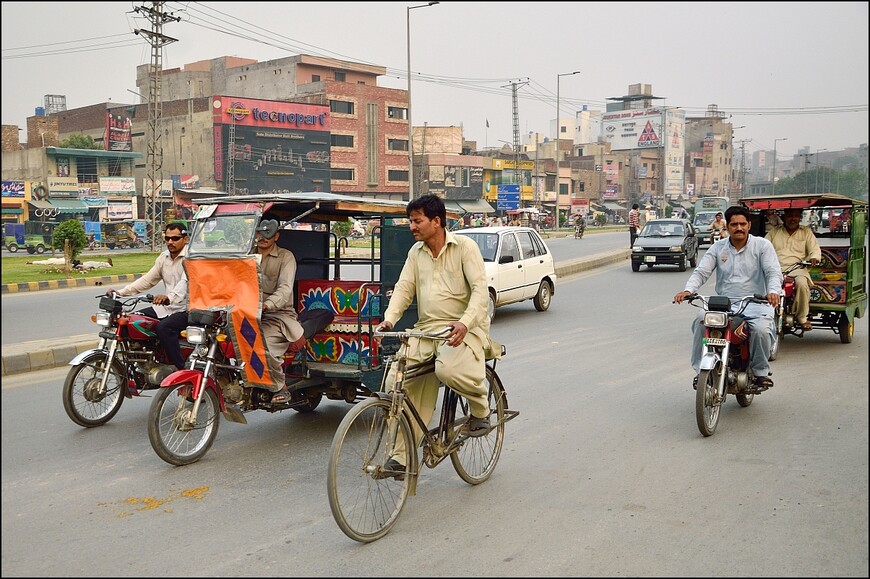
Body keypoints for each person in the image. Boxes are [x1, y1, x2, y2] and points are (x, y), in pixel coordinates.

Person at [374, 195, 500, 475]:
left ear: (436, 221)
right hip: (427, 330)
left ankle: (480, 411)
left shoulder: (465, 247)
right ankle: (402, 457)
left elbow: (480, 292)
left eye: (417, 221)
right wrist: (389, 320)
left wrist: (465, 323)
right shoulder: (416, 253)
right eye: (410, 221)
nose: (412, 227)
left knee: (448, 371)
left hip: (464, 328)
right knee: (398, 377)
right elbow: (404, 288)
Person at [673, 206, 782, 389]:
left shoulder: (763, 246)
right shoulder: (718, 247)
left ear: (749, 225)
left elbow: (773, 272)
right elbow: (701, 272)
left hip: (756, 303)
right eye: (734, 224)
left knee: (762, 330)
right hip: (724, 304)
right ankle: (701, 371)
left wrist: (773, 291)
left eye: (742, 224)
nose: (738, 228)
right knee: (701, 320)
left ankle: (759, 372)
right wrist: (688, 290)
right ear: (727, 226)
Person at [108, 222, 190, 371]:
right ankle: (143, 364)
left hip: (186, 308)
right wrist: (121, 292)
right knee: (130, 321)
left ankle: (181, 369)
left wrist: (168, 298)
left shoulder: (191, 258)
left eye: (175, 238)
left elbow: (184, 284)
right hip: (166, 308)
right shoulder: (164, 257)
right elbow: (147, 280)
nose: (170, 242)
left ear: (185, 239)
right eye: (167, 238)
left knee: (163, 328)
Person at [252, 218, 307, 404]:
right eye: (260, 233)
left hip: (278, 315)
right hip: (246, 313)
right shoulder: (248, 255)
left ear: (276, 236)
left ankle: (279, 386)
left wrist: (266, 305)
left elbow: (285, 290)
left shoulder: (286, 257)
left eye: (268, 234)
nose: (263, 238)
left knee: (260, 343)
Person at [766, 207, 821, 331]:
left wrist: (814, 258)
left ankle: (802, 317)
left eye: (796, 216)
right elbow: (763, 246)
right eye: (790, 216)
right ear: (784, 216)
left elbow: (815, 249)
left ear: (799, 218)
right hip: (776, 269)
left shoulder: (806, 232)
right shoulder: (774, 232)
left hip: (798, 268)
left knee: (802, 284)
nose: (793, 219)